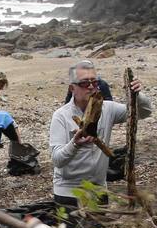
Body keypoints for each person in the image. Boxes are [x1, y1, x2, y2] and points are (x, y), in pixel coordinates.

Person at [49, 60, 151, 208]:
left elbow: (143, 112)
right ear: (72, 88)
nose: (91, 87)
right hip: (69, 192)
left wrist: (137, 94)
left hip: (98, 189)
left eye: (94, 82)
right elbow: (57, 160)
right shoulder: (61, 116)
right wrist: (74, 144)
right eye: (84, 83)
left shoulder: (107, 109)